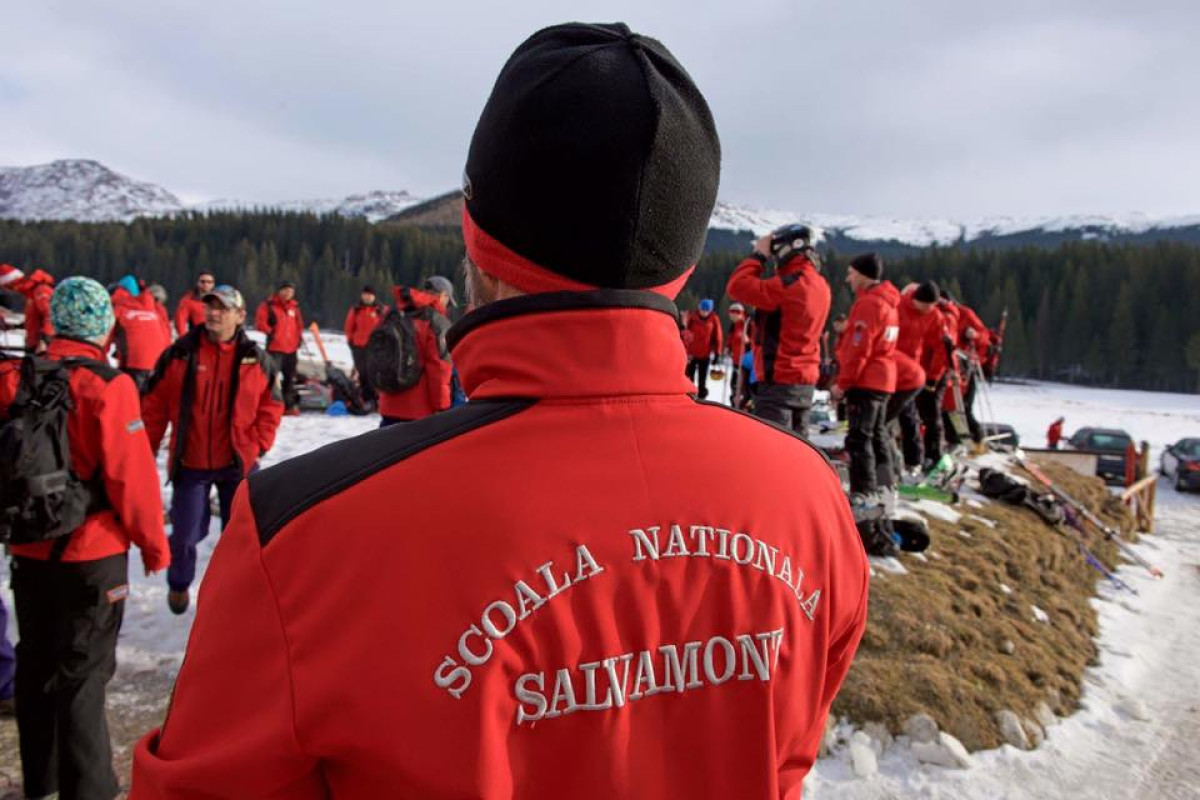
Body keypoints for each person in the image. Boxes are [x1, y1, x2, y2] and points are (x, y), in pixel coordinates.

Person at [130, 23, 869, 799]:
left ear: (476, 239)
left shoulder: (302, 532)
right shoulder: (809, 497)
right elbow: (786, 757)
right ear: (683, 268)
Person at [2, 277, 169, 800]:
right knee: (83, 673)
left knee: (35, 664)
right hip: (92, 552)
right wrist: (153, 543)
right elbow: (130, 475)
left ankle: (43, 783)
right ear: (103, 326)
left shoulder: (15, 379)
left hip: (29, 546)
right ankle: (91, 789)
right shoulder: (109, 386)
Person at [142, 285, 283, 614]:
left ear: (239, 315)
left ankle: (239, 594)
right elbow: (154, 406)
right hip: (191, 462)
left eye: (222, 308)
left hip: (237, 462)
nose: (214, 314)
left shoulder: (256, 359)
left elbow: (272, 405)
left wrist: (259, 443)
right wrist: (143, 450)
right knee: (186, 532)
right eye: (210, 307)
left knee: (243, 536)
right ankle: (179, 584)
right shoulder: (180, 353)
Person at [726, 224, 830, 436]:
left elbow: (737, 286)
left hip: (779, 380)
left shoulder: (790, 285)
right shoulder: (820, 284)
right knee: (799, 450)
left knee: (773, 452)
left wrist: (758, 256)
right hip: (804, 380)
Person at [830, 254, 899, 512]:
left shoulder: (869, 304)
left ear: (863, 274)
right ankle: (885, 487)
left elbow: (859, 348)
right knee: (878, 435)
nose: (848, 278)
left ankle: (864, 492)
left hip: (867, 380)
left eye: (851, 273)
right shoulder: (890, 303)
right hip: (884, 380)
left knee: (860, 437)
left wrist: (843, 383)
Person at [374, 276, 454, 426]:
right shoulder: (436, 321)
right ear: (443, 295)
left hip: (388, 406)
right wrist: (442, 407)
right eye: (448, 301)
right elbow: (439, 369)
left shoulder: (392, 313)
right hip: (420, 413)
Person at [899, 281, 952, 469]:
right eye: (925, 306)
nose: (928, 310)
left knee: (921, 414)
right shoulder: (899, 306)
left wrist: (933, 376)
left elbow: (942, 348)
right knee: (902, 415)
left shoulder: (935, 316)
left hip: (917, 372)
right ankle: (908, 458)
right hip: (895, 368)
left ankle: (924, 457)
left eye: (932, 306)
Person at [111, 274, 173, 392]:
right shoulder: (152, 307)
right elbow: (166, 335)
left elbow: (106, 336)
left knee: (132, 403)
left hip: (134, 365)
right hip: (159, 364)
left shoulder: (119, 307)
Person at [254, 280, 305, 416]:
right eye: (286, 290)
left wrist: (299, 338)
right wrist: (271, 332)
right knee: (271, 378)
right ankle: (269, 405)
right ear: (280, 291)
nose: (288, 293)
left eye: (291, 291)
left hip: (291, 349)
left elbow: (299, 324)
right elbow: (260, 322)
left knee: (289, 379)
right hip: (275, 348)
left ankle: (288, 406)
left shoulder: (294, 307)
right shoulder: (269, 305)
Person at [343, 284, 387, 403]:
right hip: (359, 346)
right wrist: (351, 341)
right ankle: (367, 398)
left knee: (375, 373)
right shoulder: (356, 309)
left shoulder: (381, 310)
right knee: (363, 373)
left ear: (374, 296)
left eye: (370, 295)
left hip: (376, 347)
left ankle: (378, 398)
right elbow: (349, 327)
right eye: (365, 294)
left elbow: (387, 327)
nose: (367, 297)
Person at [0, 264, 56, 353]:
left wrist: (44, 341)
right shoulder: (31, 294)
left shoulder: (41, 290)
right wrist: (14, 326)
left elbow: (50, 316)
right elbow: (36, 320)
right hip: (34, 345)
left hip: (42, 348)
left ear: (12, 283)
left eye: (8, 287)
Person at [682, 298, 722, 399]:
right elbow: (685, 332)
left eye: (706, 310)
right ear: (699, 308)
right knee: (689, 377)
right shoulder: (692, 316)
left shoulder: (714, 319)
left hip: (705, 354)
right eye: (702, 309)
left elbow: (718, 336)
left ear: (710, 310)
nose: (704, 312)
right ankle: (688, 397)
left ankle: (701, 398)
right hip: (691, 354)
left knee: (702, 380)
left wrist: (717, 353)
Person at [725, 301, 754, 407]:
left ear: (739, 313)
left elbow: (756, 342)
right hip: (736, 360)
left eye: (733, 315)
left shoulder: (748, 324)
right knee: (734, 385)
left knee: (744, 387)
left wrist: (748, 341)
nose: (731, 317)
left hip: (747, 362)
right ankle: (734, 404)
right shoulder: (734, 325)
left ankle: (744, 406)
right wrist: (728, 348)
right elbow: (730, 338)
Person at [173, 271, 215, 337]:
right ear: (197, 283)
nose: (206, 284)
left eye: (209, 282)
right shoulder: (188, 300)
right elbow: (180, 321)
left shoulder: (218, 299)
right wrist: (184, 339)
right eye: (203, 282)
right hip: (198, 338)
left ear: (213, 284)